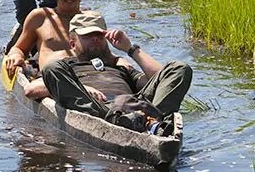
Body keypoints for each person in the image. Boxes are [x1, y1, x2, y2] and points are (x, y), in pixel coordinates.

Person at [41, 12, 192, 134]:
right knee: (51, 68)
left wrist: (131, 49)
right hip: (99, 110)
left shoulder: (120, 66)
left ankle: (152, 120)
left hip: (133, 105)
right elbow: (32, 88)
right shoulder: (67, 65)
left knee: (179, 68)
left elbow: (161, 80)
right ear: (73, 43)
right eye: (87, 36)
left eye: (99, 35)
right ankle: (126, 122)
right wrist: (82, 88)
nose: (94, 38)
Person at [5, 0, 131, 100]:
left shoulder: (91, 19)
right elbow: (19, 48)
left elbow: (104, 53)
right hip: (54, 81)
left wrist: (119, 60)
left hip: (89, 76)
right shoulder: (40, 17)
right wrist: (16, 55)